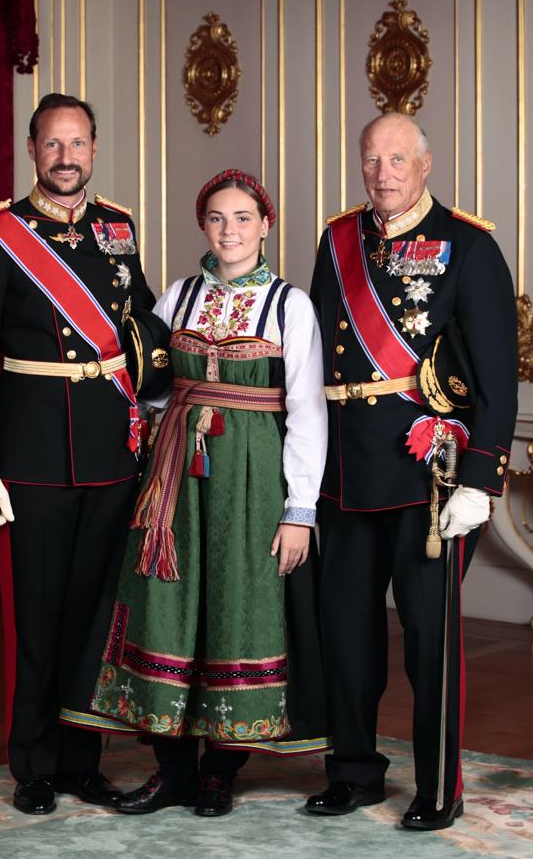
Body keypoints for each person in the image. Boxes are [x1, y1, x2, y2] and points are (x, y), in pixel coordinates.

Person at [86, 169, 330, 817]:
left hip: (251, 483)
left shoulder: (289, 304)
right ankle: (173, 770)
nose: (230, 230)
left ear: (266, 225)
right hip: (177, 480)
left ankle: (221, 769)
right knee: (169, 603)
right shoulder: (179, 296)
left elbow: (307, 411)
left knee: (237, 606)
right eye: (217, 218)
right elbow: (155, 383)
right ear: (203, 225)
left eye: (243, 218)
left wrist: (299, 510)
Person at [306, 113, 518, 830]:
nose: (384, 172)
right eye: (372, 159)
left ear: (427, 165)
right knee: (346, 635)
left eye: (398, 159)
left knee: (430, 641)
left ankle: (438, 787)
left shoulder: (469, 245)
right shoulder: (337, 242)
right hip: (344, 472)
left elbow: (496, 377)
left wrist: (482, 481)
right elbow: (314, 369)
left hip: (430, 477)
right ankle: (355, 772)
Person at [0, 93, 156, 815]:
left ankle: (79, 760)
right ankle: (33, 762)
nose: (66, 158)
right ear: (32, 151)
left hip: (109, 454)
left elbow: (144, 332)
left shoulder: (119, 230)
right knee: (36, 620)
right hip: (32, 459)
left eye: (78, 144)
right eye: (52, 145)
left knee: (94, 620)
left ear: (94, 149)